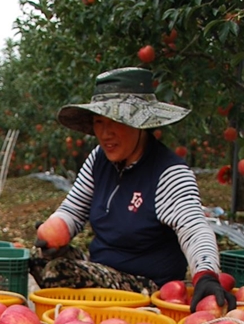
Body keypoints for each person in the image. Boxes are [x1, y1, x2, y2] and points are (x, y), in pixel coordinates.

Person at [30, 67, 234, 310]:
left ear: (141, 124)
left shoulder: (168, 171)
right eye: (99, 122)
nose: (106, 133)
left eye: (116, 121)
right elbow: (73, 210)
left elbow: (193, 226)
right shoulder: (99, 159)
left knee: (59, 273)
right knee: (36, 258)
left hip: (147, 285)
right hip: (101, 270)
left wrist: (205, 274)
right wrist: (54, 232)